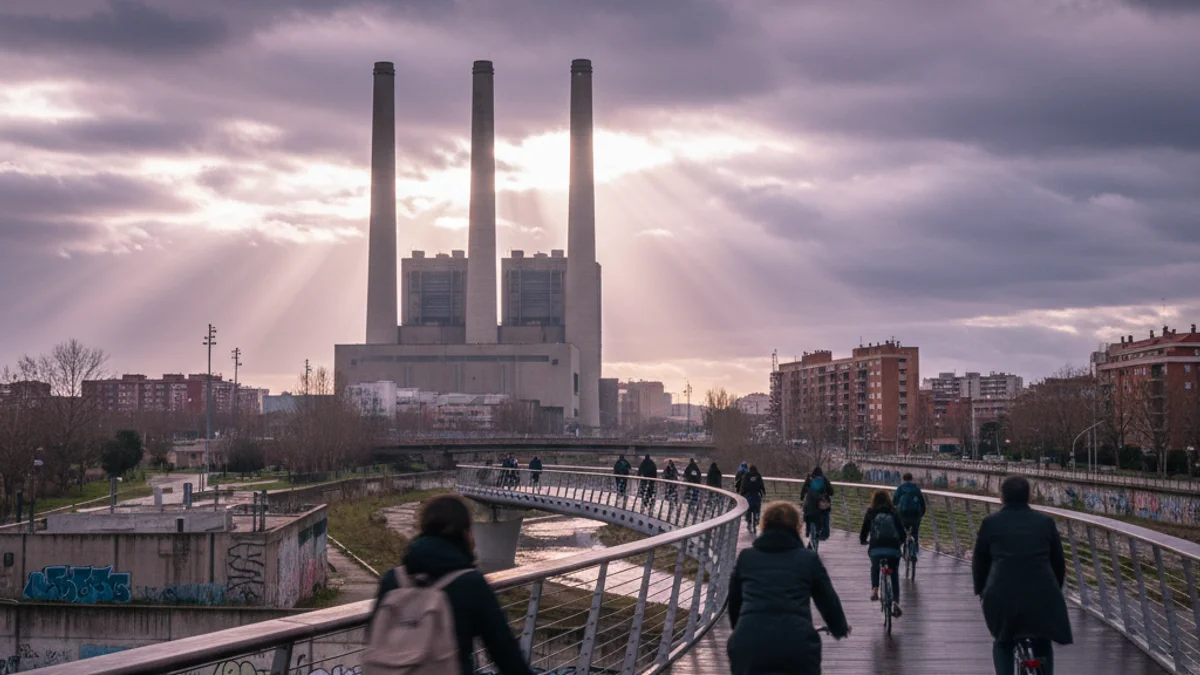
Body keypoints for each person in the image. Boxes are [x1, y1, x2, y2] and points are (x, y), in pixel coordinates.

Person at [370, 495, 535, 675]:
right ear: (465, 533)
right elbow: (506, 656)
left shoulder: (392, 579)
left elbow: (373, 638)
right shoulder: (470, 584)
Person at [727, 501, 850, 675]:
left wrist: (740, 628)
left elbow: (734, 602)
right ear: (797, 527)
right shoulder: (808, 559)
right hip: (797, 644)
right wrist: (839, 627)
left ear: (764, 525)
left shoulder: (746, 557)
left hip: (749, 644)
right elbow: (827, 599)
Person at [973, 476, 1072, 675]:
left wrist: (982, 591)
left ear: (1002, 498)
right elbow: (1058, 563)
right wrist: (1054, 589)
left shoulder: (991, 523)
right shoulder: (1045, 523)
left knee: (1003, 642)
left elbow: (979, 563)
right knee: (1043, 641)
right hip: (1042, 594)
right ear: (1029, 497)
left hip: (1002, 595)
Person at [858, 490, 904, 617]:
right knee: (893, 572)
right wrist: (899, 542)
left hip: (876, 548)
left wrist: (863, 541)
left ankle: (875, 589)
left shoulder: (871, 512)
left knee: (875, 566)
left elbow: (864, 530)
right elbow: (902, 533)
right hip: (893, 549)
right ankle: (895, 601)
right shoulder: (893, 512)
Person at [892, 472, 926, 558]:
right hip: (915, 515)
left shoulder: (900, 488)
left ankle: (898, 548)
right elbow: (922, 502)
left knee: (901, 531)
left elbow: (894, 500)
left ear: (903, 479)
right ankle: (914, 551)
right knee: (915, 532)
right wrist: (921, 514)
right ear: (912, 479)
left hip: (903, 515)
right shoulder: (916, 488)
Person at [799, 467, 834, 544]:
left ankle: (808, 532)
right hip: (820, 507)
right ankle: (823, 535)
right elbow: (831, 492)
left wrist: (802, 498)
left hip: (810, 506)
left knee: (808, 515)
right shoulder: (824, 479)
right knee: (824, 518)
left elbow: (803, 490)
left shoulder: (809, 479)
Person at [740, 464, 766, 532]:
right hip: (756, 495)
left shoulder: (746, 475)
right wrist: (763, 491)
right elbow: (761, 484)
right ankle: (756, 521)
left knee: (748, 509)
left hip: (748, 495)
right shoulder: (758, 475)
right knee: (756, 509)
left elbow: (743, 485)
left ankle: (749, 522)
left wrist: (742, 493)